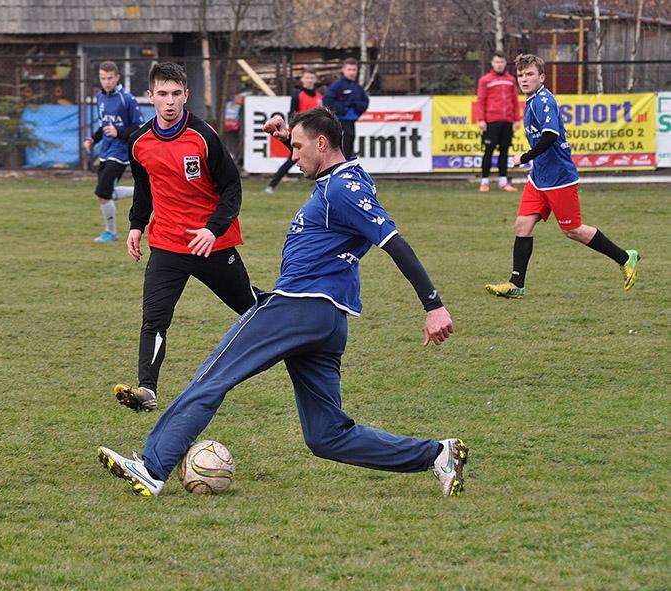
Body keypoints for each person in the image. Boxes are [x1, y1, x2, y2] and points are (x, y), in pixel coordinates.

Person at [98, 106, 469, 499]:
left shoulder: (343, 190)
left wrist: (434, 305)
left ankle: (153, 468)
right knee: (326, 436)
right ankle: (437, 455)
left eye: (298, 147)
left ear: (322, 144)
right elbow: (325, 167)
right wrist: (287, 136)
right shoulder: (346, 178)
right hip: (327, 319)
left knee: (213, 377)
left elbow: (396, 244)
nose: (293, 156)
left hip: (296, 305)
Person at [112, 62, 256, 413]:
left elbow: (231, 188)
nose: (170, 101)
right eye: (162, 94)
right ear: (150, 97)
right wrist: (136, 224)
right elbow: (145, 187)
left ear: (186, 95)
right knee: (154, 318)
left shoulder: (204, 137)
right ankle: (147, 390)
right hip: (167, 245)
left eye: (176, 94)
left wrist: (213, 228)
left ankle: (295, 337)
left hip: (212, 245)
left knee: (251, 309)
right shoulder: (139, 142)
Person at [485, 54, 639, 299]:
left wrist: (524, 157)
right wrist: (534, 163)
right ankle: (516, 284)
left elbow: (550, 136)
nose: (524, 79)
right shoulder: (531, 99)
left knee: (574, 230)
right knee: (522, 225)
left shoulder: (543, 100)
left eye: (530, 74)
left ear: (542, 77)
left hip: (559, 178)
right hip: (539, 178)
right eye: (521, 75)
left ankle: (624, 257)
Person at [83, 61, 145, 242]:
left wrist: (119, 133)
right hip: (106, 150)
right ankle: (144, 191)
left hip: (121, 152)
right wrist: (93, 139)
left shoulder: (127, 98)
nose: (106, 82)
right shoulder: (100, 98)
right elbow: (104, 126)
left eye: (110, 78)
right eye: (103, 78)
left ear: (117, 77)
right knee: (106, 193)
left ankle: (111, 233)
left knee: (102, 191)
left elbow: (138, 128)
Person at [265, 68, 322, 194]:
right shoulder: (298, 95)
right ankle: (272, 185)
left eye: (312, 78)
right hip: (301, 133)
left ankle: (321, 187)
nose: (309, 80)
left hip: (314, 134)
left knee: (319, 160)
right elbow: (293, 115)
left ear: (315, 80)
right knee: (293, 159)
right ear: (302, 80)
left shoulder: (319, 97)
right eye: (307, 77)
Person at [474, 51, 521, 193]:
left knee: (505, 152)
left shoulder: (511, 80)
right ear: (492, 63)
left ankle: (503, 182)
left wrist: (517, 119)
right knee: (488, 151)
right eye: (497, 62)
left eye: (502, 62)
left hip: (507, 121)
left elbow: (515, 100)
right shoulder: (485, 80)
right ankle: (484, 182)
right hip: (491, 121)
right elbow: (480, 101)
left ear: (505, 63)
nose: (499, 65)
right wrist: (481, 119)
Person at [322, 58, 368, 159]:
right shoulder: (337, 85)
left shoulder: (358, 87)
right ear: (343, 70)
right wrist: (342, 110)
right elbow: (327, 100)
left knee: (349, 147)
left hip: (351, 122)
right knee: (339, 148)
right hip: (338, 123)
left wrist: (356, 109)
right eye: (349, 69)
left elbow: (365, 102)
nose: (351, 72)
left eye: (354, 69)